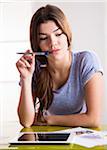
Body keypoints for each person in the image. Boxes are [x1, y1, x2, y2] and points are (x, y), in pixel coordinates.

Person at [16, 4, 103, 128]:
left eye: (58, 34)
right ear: (37, 44)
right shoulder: (35, 67)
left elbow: (93, 119)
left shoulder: (86, 60)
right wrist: (26, 79)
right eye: (44, 38)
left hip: (80, 137)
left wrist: (49, 120)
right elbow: (26, 122)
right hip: (48, 137)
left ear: (67, 35)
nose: (52, 43)